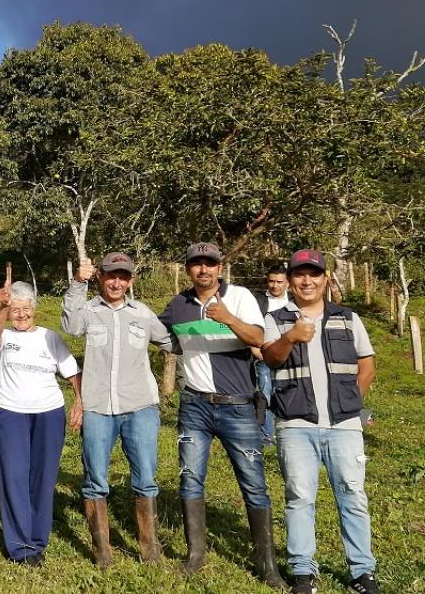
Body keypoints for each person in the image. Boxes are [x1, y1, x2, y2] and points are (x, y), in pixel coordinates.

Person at [159, 242, 285, 587]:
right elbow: (157, 332)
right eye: (197, 264)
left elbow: (259, 338)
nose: (204, 270)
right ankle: (195, 555)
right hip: (194, 406)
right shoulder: (178, 304)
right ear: (188, 270)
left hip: (238, 406)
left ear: (220, 267)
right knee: (189, 478)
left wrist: (228, 318)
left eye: (210, 264)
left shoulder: (242, 296)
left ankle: (267, 565)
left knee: (254, 484)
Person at [261, 250, 380, 594]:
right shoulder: (278, 319)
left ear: (326, 278)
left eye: (314, 274)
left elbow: (367, 364)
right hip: (296, 425)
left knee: (353, 495)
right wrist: (291, 337)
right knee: (299, 497)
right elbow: (270, 358)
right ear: (290, 280)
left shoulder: (348, 318)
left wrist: (349, 402)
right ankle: (302, 571)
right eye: (300, 274)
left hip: (344, 426)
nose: (307, 281)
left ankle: (362, 571)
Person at [61, 252, 173, 568]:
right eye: (111, 275)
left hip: (140, 406)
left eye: (123, 276)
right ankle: (103, 553)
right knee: (95, 479)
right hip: (97, 406)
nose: (116, 282)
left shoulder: (143, 313)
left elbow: (169, 341)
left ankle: (150, 551)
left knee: (146, 479)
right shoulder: (88, 311)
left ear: (131, 280)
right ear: (101, 278)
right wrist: (77, 283)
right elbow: (70, 326)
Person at [0, 281, 81, 566]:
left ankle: (38, 541)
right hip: (11, 412)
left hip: (49, 413)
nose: (21, 314)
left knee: (43, 478)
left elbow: (71, 371)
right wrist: (4, 307)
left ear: (35, 310)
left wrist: (79, 400)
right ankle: (20, 547)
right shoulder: (4, 336)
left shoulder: (49, 337)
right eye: (15, 309)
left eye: (25, 308)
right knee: (14, 476)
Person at [252, 264, 289, 445]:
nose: (275, 286)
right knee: (266, 394)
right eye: (272, 281)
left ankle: (285, 434)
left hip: (291, 357)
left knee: (288, 394)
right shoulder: (257, 301)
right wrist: (255, 350)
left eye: (279, 282)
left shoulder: (295, 301)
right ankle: (267, 435)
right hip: (265, 357)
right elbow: (249, 326)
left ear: (287, 282)